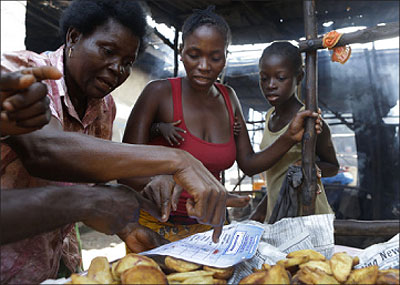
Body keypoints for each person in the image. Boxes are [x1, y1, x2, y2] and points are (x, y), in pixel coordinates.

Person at [0, 1, 230, 283]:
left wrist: (129, 228)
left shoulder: (104, 107)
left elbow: (86, 180)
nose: (116, 69)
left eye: (127, 63)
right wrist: (176, 160)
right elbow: (46, 151)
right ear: (74, 37)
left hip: (50, 267)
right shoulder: (21, 71)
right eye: (108, 51)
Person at [121, 7, 324, 247]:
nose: (204, 66)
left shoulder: (229, 98)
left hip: (211, 231)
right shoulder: (158, 93)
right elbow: (125, 167)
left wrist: (289, 137)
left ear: (225, 57)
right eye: (194, 55)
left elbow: (248, 163)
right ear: (181, 51)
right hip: (153, 228)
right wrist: (165, 179)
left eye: (215, 58)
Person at [249, 41, 339, 223]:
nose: (271, 85)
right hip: (279, 214)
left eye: (280, 78)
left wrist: (310, 166)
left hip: (309, 216)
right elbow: (278, 175)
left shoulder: (309, 120)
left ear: (299, 77)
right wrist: (261, 211)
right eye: (264, 78)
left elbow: (333, 166)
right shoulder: (269, 117)